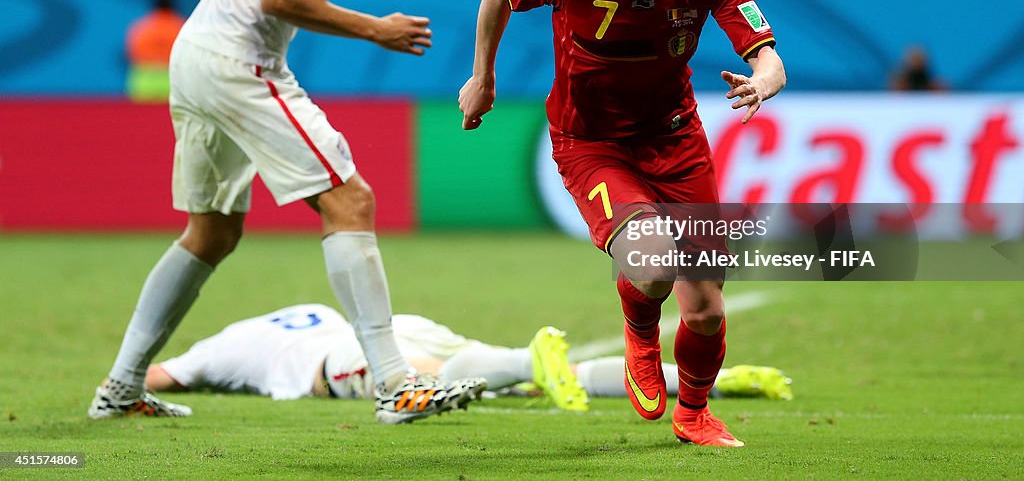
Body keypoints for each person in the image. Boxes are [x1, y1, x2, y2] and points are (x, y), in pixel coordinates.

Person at [88, 0, 484, 425]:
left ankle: (120, 387)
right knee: (350, 200)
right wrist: (375, 29)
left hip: (197, 53)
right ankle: (394, 385)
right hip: (241, 62)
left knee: (211, 232)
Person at [458, 0, 786, 446]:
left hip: (676, 142)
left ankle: (694, 413)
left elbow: (767, 54)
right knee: (653, 260)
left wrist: (762, 80)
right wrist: (484, 77)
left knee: (707, 309)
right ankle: (640, 329)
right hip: (593, 143)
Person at [143, 304, 793, 406]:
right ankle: (707, 381)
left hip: (345, 355)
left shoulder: (214, 349)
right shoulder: (286, 313)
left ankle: (527, 361)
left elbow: (157, 377)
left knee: (442, 382)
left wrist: (126, 384)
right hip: (395, 320)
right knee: (521, 375)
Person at [125, 0, 185, 102]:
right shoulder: (181, 26)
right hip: (172, 81)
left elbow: (131, 53)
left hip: (144, 82)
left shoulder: (141, 27)